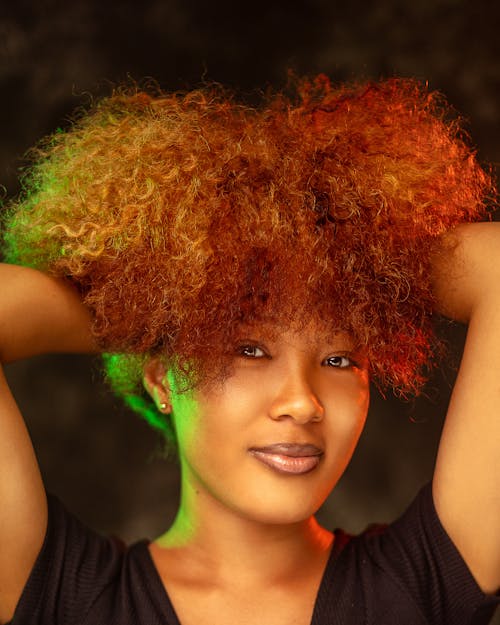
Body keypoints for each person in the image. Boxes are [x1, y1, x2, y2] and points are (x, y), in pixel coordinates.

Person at [0, 76, 498, 625]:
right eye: (250, 349)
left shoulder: (422, 586)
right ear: (164, 378)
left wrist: (364, 265)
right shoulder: (66, 600)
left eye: (339, 359)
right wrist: (148, 306)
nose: (303, 403)